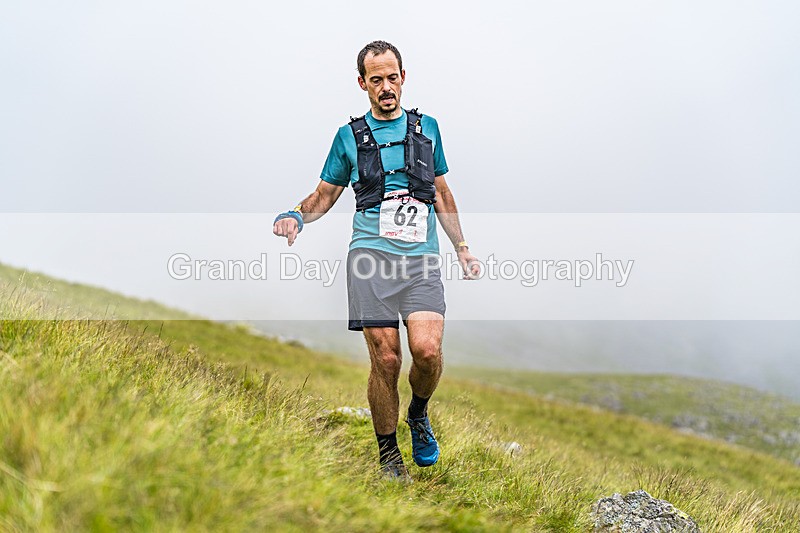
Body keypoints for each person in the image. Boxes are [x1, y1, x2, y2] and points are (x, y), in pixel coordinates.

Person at [273, 40, 479, 480]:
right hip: (370, 259)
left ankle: (418, 414)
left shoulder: (428, 129)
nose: (386, 87)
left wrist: (461, 247)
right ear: (362, 83)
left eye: (392, 78)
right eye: (376, 80)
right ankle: (389, 459)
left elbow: (441, 192)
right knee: (386, 361)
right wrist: (296, 216)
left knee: (426, 351)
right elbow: (325, 195)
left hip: (421, 259)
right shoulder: (348, 137)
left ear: (403, 78)